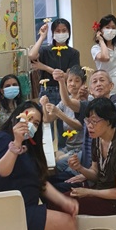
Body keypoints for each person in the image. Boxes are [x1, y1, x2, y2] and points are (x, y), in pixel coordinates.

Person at [0, 101, 78, 230]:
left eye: (36, 123)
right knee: (67, 225)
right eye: (28, 118)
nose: (31, 125)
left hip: (23, 206)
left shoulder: (28, 146)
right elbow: (0, 174)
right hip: (2, 212)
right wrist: (16, 143)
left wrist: (64, 201)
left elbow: (39, 181)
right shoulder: (3, 139)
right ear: (16, 117)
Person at [48, 69, 116, 192]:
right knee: (45, 182)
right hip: (89, 171)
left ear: (111, 86)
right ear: (90, 89)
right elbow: (67, 102)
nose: (98, 84)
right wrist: (61, 81)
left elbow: (115, 151)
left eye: (102, 80)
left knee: (52, 189)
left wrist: (87, 178)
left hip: (101, 180)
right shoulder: (88, 107)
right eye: (94, 81)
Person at [67, 98, 116, 215]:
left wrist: (89, 192)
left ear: (109, 120)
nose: (89, 126)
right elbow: (95, 173)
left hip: (115, 203)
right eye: (87, 121)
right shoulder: (98, 138)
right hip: (101, 190)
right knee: (58, 193)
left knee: (61, 204)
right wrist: (80, 168)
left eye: (94, 121)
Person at [29, 18, 80, 148]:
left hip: (66, 93)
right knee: (46, 127)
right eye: (57, 31)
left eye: (64, 30)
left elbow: (67, 75)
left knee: (64, 127)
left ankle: (64, 153)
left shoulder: (73, 53)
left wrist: (44, 67)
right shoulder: (46, 50)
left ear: (69, 32)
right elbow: (31, 56)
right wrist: (42, 37)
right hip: (48, 92)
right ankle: (47, 156)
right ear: (53, 33)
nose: (61, 33)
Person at [91, 14, 116, 95]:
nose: (110, 30)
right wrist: (101, 40)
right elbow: (106, 57)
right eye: (107, 27)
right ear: (100, 30)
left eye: (113, 28)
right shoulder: (96, 48)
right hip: (107, 89)